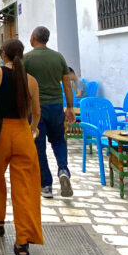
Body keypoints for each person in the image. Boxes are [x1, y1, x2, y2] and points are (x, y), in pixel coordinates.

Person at [0, 38, 43, 255]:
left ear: (3, 54)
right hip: (23, 135)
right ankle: (23, 242)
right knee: (24, 188)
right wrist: (32, 130)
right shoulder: (31, 81)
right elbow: (36, 112)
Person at [23, 26, 76, 199]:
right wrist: (69, 107)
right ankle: (63, 169)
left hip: (36, 108)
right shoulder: (58, 57)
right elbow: (67, 84)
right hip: (55, 105)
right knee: (59, 141)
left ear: (33, 37)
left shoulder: (27, 59)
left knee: (39, 147)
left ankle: (46, 185)